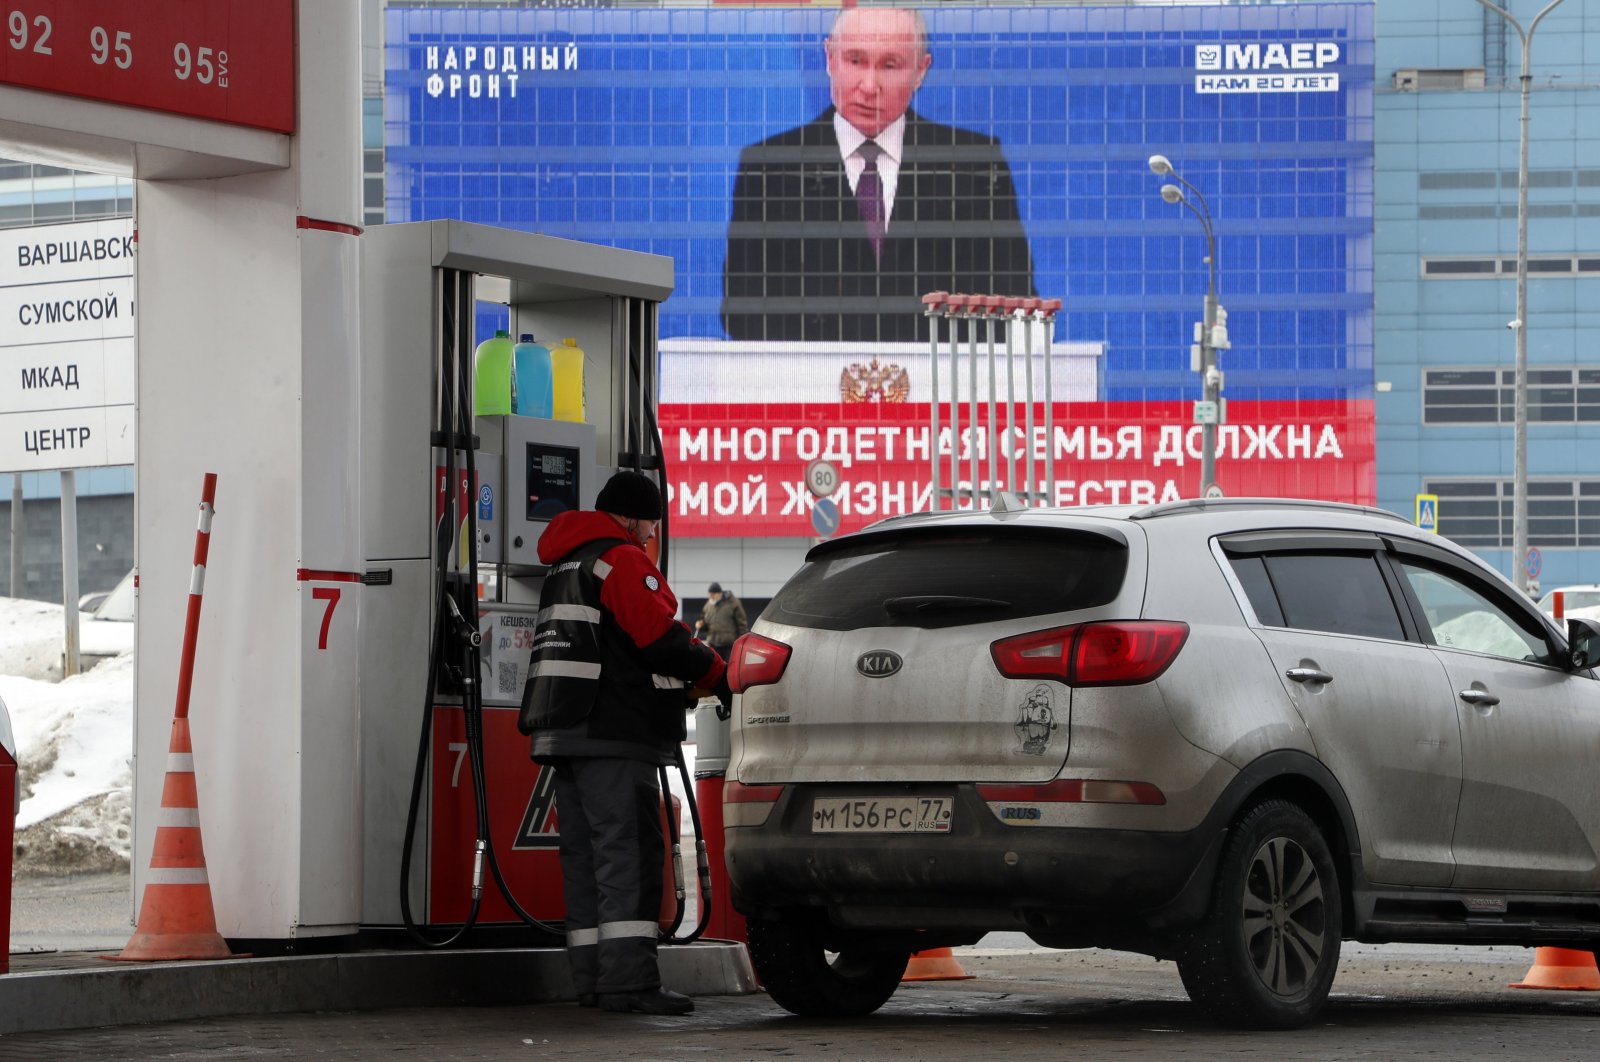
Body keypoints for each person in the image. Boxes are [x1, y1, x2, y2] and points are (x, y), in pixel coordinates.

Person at [519, 470, 732, 1017]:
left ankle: (592, 979)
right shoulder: (621, 559)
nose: (650, 535)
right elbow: (659, 638)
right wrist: (717, 673)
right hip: (610, 731)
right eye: (650, 524)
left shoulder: (566, 562)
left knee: (586, 859)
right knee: (628, 853)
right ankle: (630, 982)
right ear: (634, 518)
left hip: (563, 731)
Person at [721, 4, 1036, 344]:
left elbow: (1015, 305)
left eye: (890, 65)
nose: (869, 86)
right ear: (829, 58)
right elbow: (742, 312)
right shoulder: (770, 167)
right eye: (855, 61)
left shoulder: (974, 165)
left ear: (921, 70)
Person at [695, 582, 750, 660]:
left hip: (729, 645)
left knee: (728, 667)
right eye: (710, 594)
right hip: (713, 644)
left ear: (719, 593)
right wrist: (700, 625)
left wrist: (742, 642)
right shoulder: (708, 606)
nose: (711, 597)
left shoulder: (733, 603)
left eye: (713, 594)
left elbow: (741, 624)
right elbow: (705, 623)